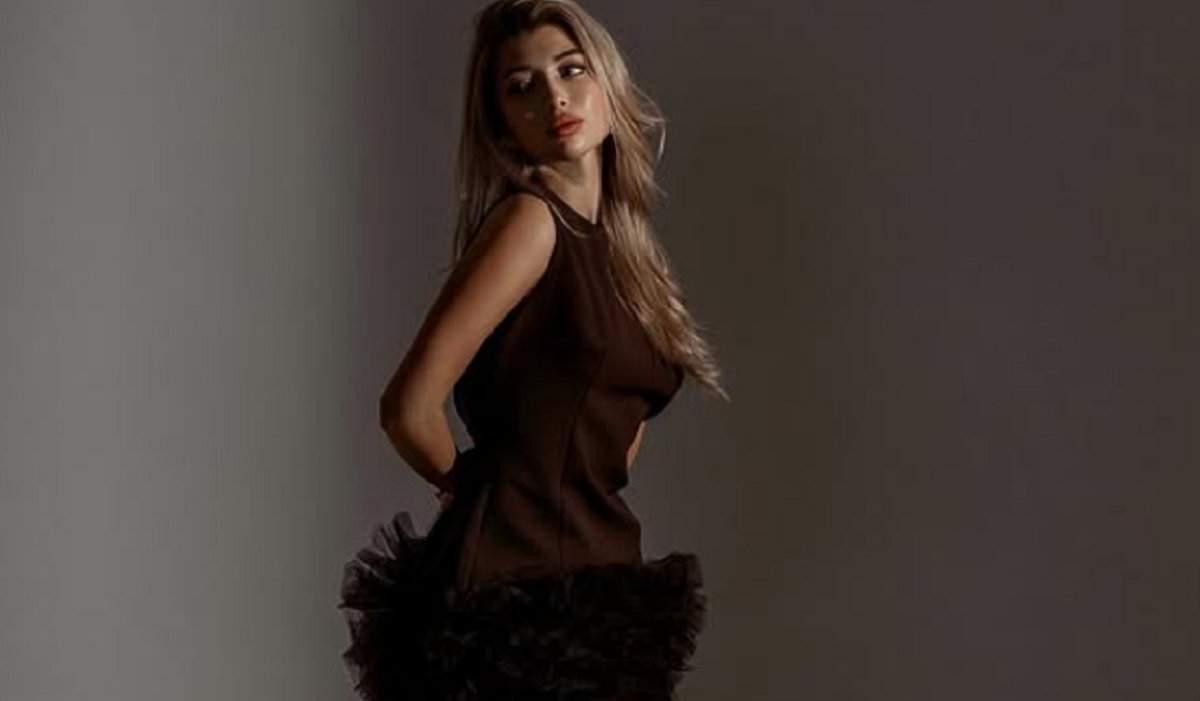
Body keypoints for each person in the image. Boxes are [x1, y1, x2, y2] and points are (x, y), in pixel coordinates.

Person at [338, 1, 729, 699]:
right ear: (502, 125)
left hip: (602, 582)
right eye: (522, 86)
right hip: (510, 591)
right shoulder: (530, 223)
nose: (554, 98)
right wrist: (479, 493)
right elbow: (408, 408)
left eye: (570, 71)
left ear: (607, 82)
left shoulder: (632, 257)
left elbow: (619, 429)